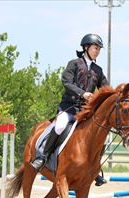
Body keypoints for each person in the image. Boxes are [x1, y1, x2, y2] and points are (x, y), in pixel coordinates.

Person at [30, 33, 108, 186]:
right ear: (86, 47)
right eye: (95, 48)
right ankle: (42, 157)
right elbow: (66, 82)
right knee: (59, 126)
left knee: (100, 134)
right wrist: (82, 93)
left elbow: (105, 88)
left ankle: (95, 169)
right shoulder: (74, 64)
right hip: (69, 108)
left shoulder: (98, 70)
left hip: (86, 112)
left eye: (99, 49)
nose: (97, 51)